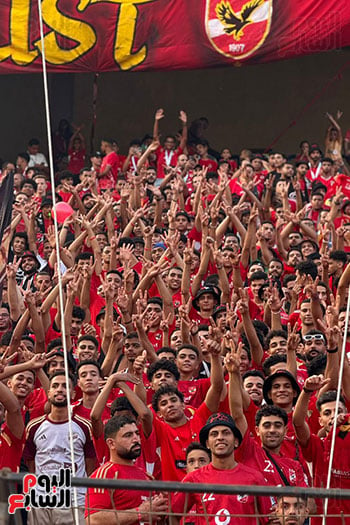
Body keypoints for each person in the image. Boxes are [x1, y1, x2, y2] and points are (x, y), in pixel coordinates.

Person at [170, 412, 270, 524]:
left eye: (226, 433)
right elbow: (173, 514)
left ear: (236, 442)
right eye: (214, 434)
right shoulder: (193, 479)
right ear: (207, 444)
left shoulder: (255, 478)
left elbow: (268, 518)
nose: (220, 438)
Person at [23, 371, 96, 524]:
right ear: (48, 392)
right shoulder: (34, 426)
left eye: (65, 386)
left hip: (74, 502)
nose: (60, 390)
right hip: (41, 501)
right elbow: (31, 463)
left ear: (74, 393)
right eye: (55, 386)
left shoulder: (83, 426)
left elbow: (90, 465)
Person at [85, 414, 168, 524]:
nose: (136, 439)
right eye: (128, 435)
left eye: (137, 433)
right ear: (111, 443)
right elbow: (93, 519)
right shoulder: (104, 475)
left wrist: (162, 509)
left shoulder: (147, 477)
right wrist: (139, 513)